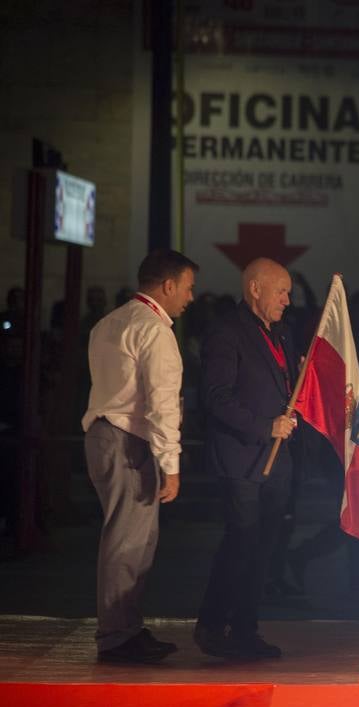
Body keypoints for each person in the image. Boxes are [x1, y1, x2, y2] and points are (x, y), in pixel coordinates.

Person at [82, 249, 197, 663]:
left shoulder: (108, 323)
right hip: (127, 439)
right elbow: (162, 404)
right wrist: (172, 465)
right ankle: (116, 636)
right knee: (129, 540)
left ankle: (124, 629)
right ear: (167, 286)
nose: (190, 297)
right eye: (187, 288)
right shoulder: (153, 330)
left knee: (130, 538)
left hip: (103, 433)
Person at [195, 258, 299, 659]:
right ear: (255, 288)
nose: (288, 300)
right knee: (242, 544)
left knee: (261, 548)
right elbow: (216, 398)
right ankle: (218, 626)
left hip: (275, 461)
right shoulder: (227, 333)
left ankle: (240, 629)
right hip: (242, 459)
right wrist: (264, 425)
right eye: (281, 291)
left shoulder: (283, 335)